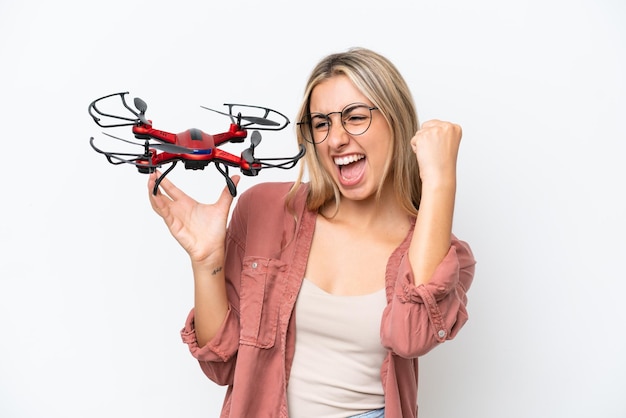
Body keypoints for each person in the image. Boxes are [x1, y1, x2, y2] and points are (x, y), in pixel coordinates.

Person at [148, 47, 476, 418]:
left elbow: (411, 336)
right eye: (321, 124)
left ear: (397, 122)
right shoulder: (266, 209)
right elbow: (222, 365)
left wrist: (439, 179)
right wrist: (206, 260)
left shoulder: (441, 253)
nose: (335, 139)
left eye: (355, 117)